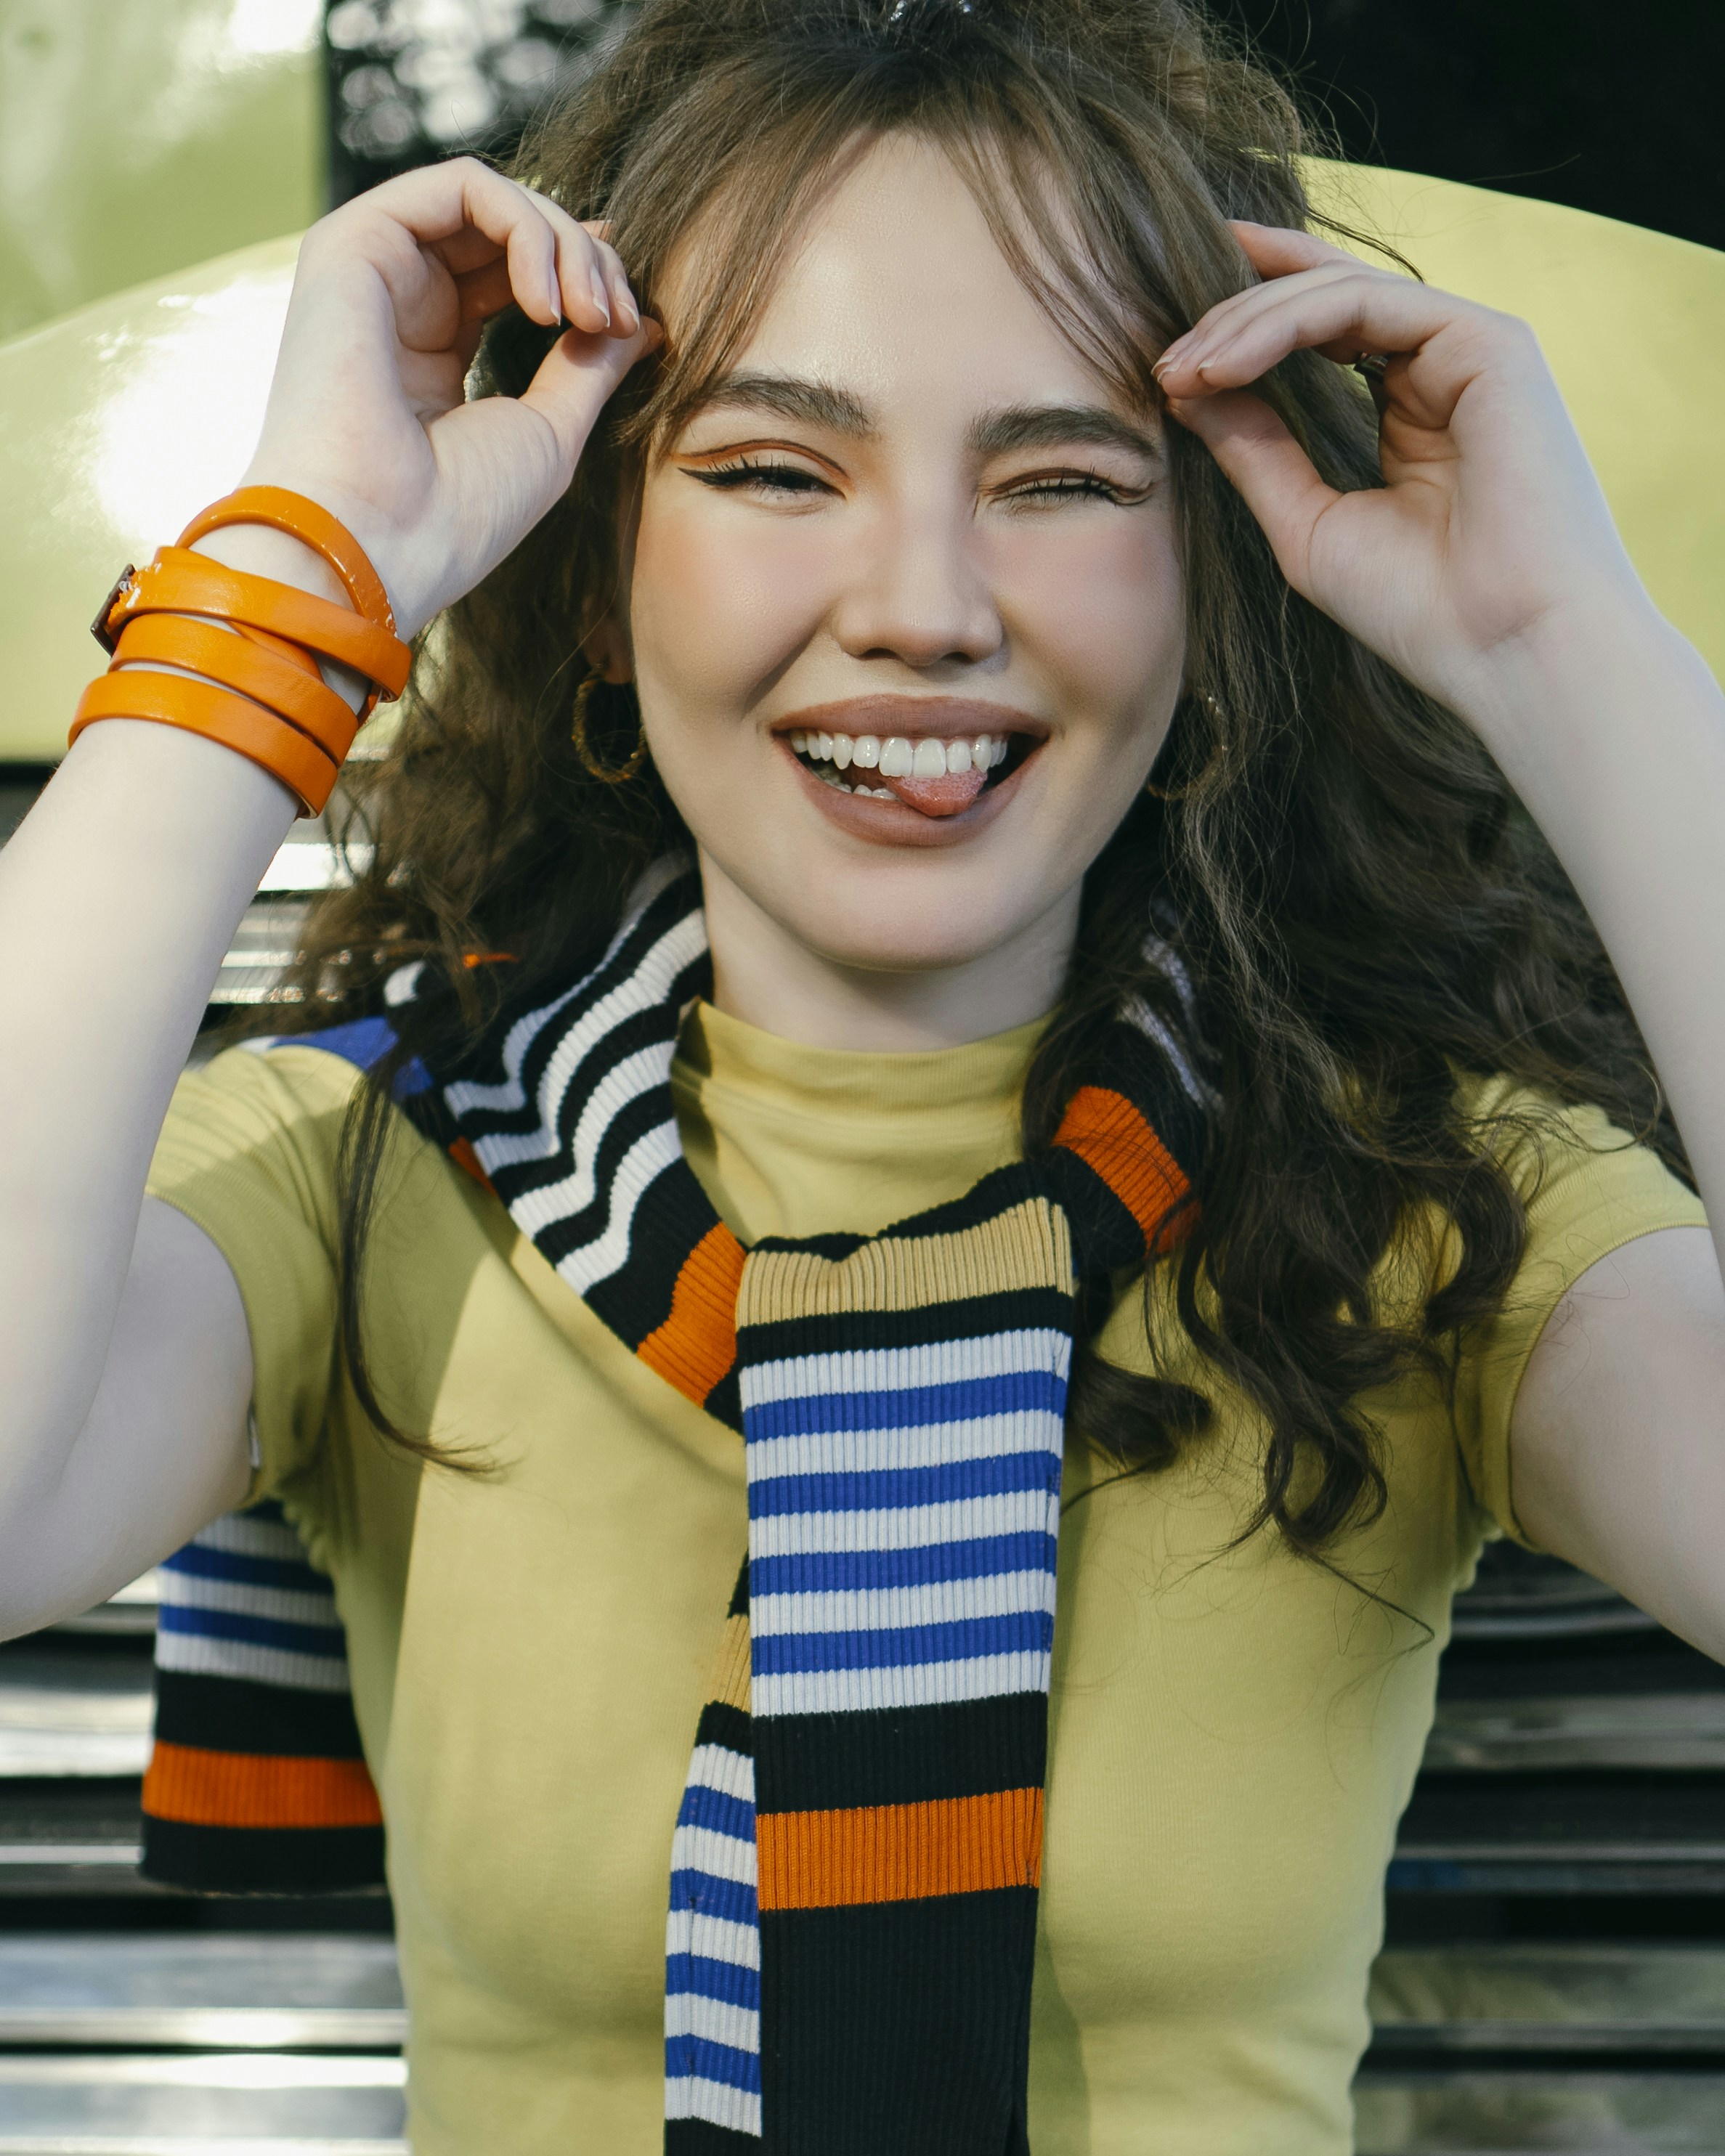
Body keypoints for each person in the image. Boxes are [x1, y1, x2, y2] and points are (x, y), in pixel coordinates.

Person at [0, 0, 1721, 2149]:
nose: (923, 605)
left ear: (1209, 587)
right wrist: (299, 572)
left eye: (1065, 478)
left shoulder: (1433, 1197)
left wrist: (1564, 645)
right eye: (772, 468)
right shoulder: (358, 1173)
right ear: (603, 584)